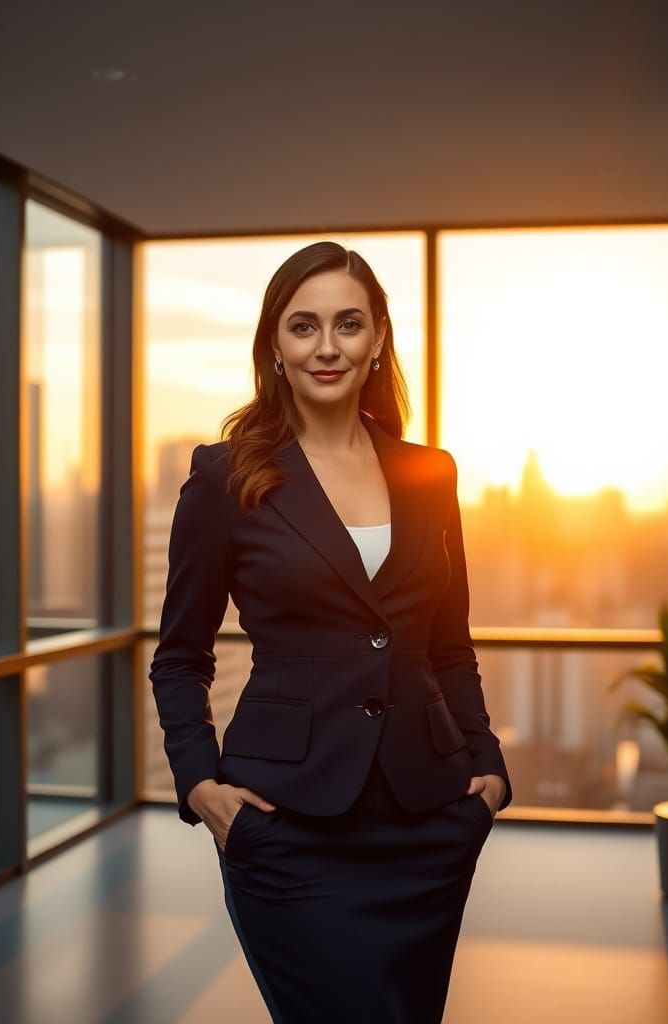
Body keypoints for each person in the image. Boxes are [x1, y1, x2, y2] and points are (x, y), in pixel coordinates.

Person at [150, 240, 513, 1023]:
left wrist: (488, 770)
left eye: (348, 324)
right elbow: (180, 656)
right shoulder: (226, 477)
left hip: (428, 824)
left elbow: (450, 644)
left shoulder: (431, 472)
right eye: (303, 326)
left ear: (378, 337)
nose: (327, 346)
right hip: (286, 825)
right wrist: (199, 784)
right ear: (274, 346)